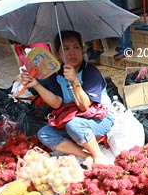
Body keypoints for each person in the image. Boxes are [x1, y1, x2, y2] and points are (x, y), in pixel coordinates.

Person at [21, 30, 114, 166]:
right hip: (73, 119)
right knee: (44, 133)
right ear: (58, 54)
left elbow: (84, 106)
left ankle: (97, 155)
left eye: (76, 47)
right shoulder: (57, 75)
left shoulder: (90, 71)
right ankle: (85, 155)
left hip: (100, 119)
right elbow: (57, 104)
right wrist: (35, 85)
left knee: (73, 125)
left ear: (82, 50)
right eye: (66, 49)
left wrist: (75, 81)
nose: (72, 52)